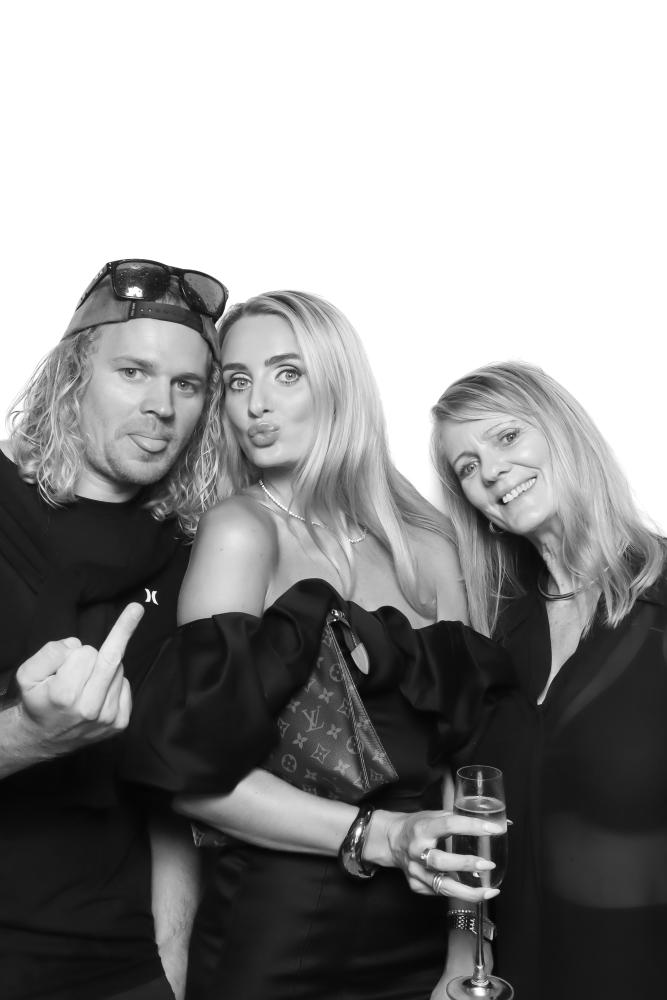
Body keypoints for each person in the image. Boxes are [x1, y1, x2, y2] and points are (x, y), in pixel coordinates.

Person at [127, 290, 516, 1000]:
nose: (254, 405)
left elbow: (466, 778)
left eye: (286, 374)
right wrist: (381, 835)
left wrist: (465, 952)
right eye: (236, 381)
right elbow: (194, 781)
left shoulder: (427, 547)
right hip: (280, 942)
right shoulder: (241, 532)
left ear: (338, 384)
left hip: (421, 940)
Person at [0, 258, 229, 1000]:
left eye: (187, 385)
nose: (161, 406)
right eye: (133, 372)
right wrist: (28, 736)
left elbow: (168, 794)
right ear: (73, 376)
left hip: (118, 963)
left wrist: (171, 961)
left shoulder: (191, 553)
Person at [432, 360, 667, 1000]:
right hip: (516, 978)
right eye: (468, 467)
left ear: (563, 432)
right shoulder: (491, 631)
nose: (492, 471)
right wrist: (461, 954)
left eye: (507, 437)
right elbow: (468, 824)